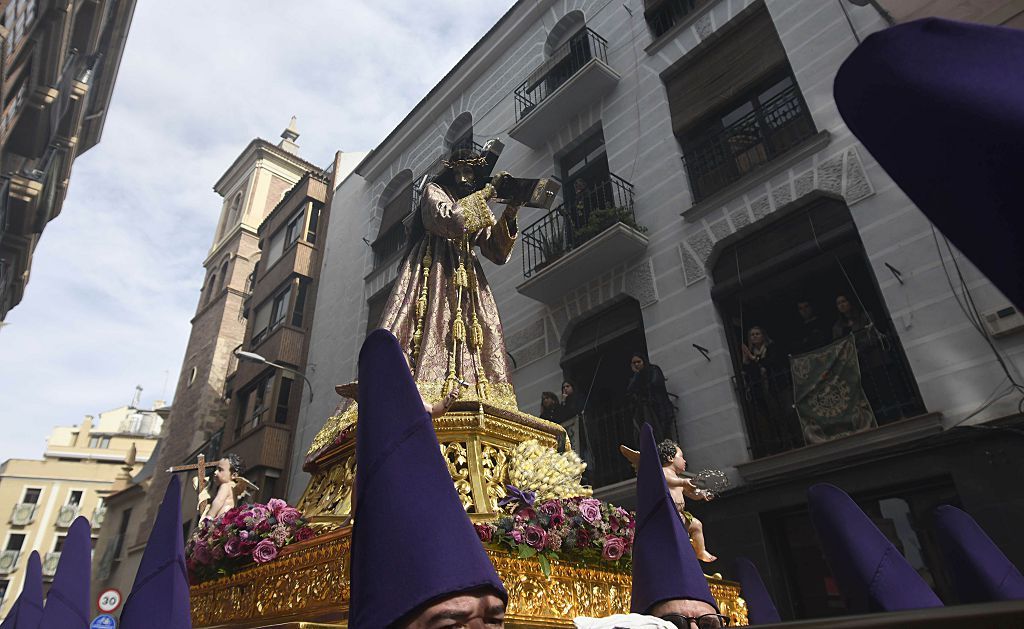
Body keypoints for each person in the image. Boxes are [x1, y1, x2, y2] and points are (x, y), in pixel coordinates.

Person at [349, 330, 507, 628]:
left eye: (493, 621)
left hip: (425, 465)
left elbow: (434, 410)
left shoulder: (418, 405)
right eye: (451, 627)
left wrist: (449, 399)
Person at [619, 440, 716, 563]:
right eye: (681, 457)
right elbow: (666, 480)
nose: (685, 461)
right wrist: (683, 482)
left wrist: (701, 494)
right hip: (665, 515)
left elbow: (691, 494)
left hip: (680, 515)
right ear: (670, 458)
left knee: (697, 525)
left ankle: (700, 551)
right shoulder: (662, 473)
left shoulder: (679, 480)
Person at [740, 326, 796, 453]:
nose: (754, 336)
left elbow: (772, 362)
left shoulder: (771, 348)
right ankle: (784, 443)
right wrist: (746, 360)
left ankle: (796, 439)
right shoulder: (752, 353)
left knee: (788, 412)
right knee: (776, 416)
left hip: (780, 385)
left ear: (763, 335)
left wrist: (753, 358)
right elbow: (749, 372)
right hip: (765, 390)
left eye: (757, 334)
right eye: (752, 334)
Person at [627, 353, 675, 440]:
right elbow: (630, 391)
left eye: (638, 361)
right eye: (634, 363)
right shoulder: (636, 376)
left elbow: (655, 383)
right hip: (647, 411)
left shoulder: (654, 370)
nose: (637, 364)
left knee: (664, 434)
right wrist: (637, 375)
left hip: (659, 407)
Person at [208, 453, 246, 520]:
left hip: (220, 520)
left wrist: (209, 516)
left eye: (220, 470)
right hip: (228, 521)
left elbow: (219, 500)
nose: (215, 472)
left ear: (234, 475)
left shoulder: (225, 486)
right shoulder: (235, 488)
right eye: (216, 469)